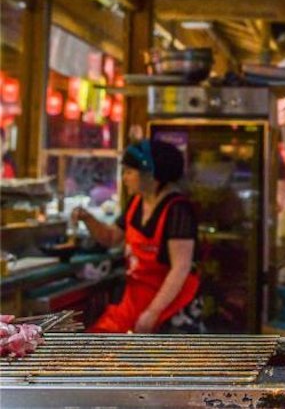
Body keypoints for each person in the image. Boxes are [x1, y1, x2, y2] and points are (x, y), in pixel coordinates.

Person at [72, 139, 201, 333]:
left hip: (170, 305)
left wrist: (153, 312)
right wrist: (88, 219)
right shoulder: (136, 203)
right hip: (135, 299)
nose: (124, 178)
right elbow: (112, 238)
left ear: (152, 175)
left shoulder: (177, 209)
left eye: (130, 172)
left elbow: (180, 268)